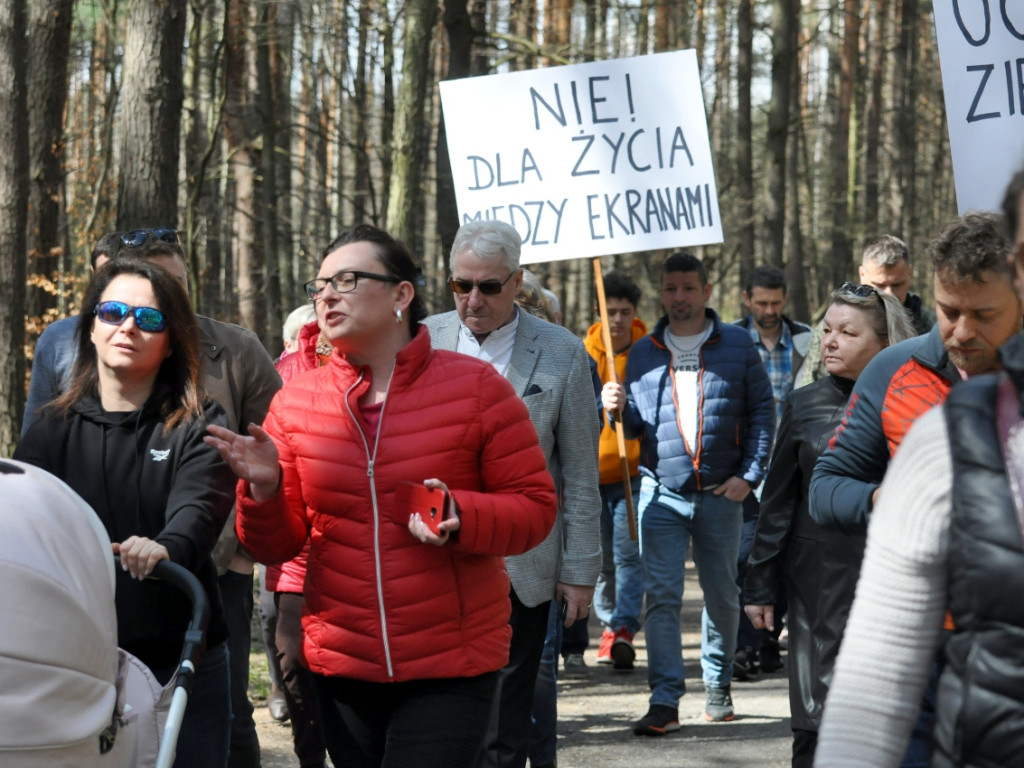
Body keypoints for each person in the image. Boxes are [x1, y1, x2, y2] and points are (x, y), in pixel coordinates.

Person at [206, 224, 558, 768]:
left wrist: (459, 515)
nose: (326, 295)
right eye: (319, 285)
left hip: (452, 661)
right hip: (342, 663)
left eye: (346, 280)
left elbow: (534, 509)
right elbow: (275, 547)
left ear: (401, 294)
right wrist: (265, 489)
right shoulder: (295, 402)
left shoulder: (477, 388)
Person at [23, 228, 281, 768]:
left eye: (150, 319)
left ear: (172, 339)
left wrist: (164, 547)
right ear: (90, 327)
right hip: (69, 657)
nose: (128, 328)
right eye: (113, 312)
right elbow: (25, 519)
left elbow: (200, 507)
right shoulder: (50, 430)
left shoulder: (199, 424)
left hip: (177, 653)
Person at [814, 169, 1024, 768]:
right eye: (946, 310)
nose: (960, 332)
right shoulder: (893, 372)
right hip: (929, 646)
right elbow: (826, 486)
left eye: (983, 315)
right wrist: (888, 501)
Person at [424, 220, 601, 768]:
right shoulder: (419, 340)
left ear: (517, 281)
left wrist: (579, 571)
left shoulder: (562, 353)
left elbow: (579, 475)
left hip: (522, 566)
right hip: (430, 557)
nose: (473, 300)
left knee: (506, 720)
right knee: (435, 716)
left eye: (489, 287)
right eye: (461, 286)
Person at [602, 251, 775, 735]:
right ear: (662, 292)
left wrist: (751, 474)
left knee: (722, 595)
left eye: (688, 288)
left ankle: (717, 687)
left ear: (705, 292)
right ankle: (664, 700)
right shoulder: (643, 351)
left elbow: (763, 413)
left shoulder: (737, 345)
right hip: (662, 492)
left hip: (722, 494)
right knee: (660, 597)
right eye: (671, 288)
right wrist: (613, 408)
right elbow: (635, 428)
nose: (679, 297)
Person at [742, 284, 915, 767]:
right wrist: (760, 585)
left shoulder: (913, 403)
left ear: (884, 344)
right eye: (828, 330)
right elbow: (776, 504)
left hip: (892, 577)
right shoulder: (803, 405)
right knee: (816, 722)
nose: (831, 341)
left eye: (848, 332)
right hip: (816, 586)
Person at [732, 265, 813, 679]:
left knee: (784, 554)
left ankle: (768, 638)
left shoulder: (806, 340)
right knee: (747, 554)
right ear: (747, 299)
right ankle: (746, 643)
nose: (769, 310)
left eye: (776, 302)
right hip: (746, 465)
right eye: (761, 302)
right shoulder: (731, 340)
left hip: (793, 466)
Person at [257, 306, 329, 767]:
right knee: (294, 668)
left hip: (362, 558)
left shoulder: (386, 361)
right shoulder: (284, 373)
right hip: (296, 563)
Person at [585, 269, 648, 670]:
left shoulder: (647, 351)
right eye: (611, 312)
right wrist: (601, 403)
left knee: (628, 556)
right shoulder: (583, 353)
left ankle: (622, 628)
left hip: (634, 473)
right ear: (598, 313)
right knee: (600, 560)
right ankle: (608, 623)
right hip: (592, 473)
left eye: (625, 311)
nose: (619, 320)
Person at [21, 230, 123, 435]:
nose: (112, 284)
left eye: (121, 275)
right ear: (93, 274)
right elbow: (34, 424)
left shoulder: (155, 336)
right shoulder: (58, 338)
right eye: (105, 275)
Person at [798, 235, 935, 385]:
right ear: (862, 274)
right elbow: (808, 388)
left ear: (909, 273)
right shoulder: (831, 327)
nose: (889, 294)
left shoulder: (931, 327)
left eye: (896, 285)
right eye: (879, 285)